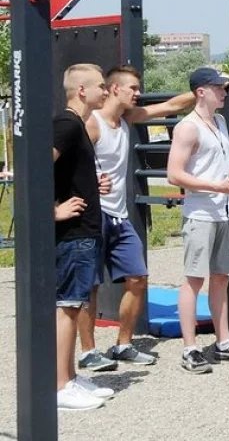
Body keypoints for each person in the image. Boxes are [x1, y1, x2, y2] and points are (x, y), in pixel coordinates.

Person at [77, 65, 195, 372]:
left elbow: (170, 106)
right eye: (133, 88)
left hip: (119, 216)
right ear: (115, 88)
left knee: (138, 279)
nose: (138, 93)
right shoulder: (92, 124)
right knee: (90, 287)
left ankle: (123, 345)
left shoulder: (128, 119)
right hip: (93, 214)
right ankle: (88, 351)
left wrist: (204, 87)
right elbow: (69, 165)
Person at [167, 68, 229, 374]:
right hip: (201, 213)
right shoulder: (188, 127)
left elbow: (220, 163)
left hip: (227, 209)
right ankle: (190, 347)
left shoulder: (220, 121)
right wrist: (215, 186)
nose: (224, 92)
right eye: (219, 88)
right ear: (201, 91)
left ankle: (223, 342)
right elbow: (174, 175)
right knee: (193, 280)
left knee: (221, 277)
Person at [53, 64, 115, 410]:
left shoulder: (78, 125)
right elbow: (35, 167)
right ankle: (60, 387)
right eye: (101, 86)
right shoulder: (65, 124)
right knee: (68, 307)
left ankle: (71, 377)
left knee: (74, 307)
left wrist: (94, 186)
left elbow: (66, 173)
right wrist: (52, 210)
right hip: (73, 234)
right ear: (81, 89)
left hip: (85, 231)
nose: (106, 91)